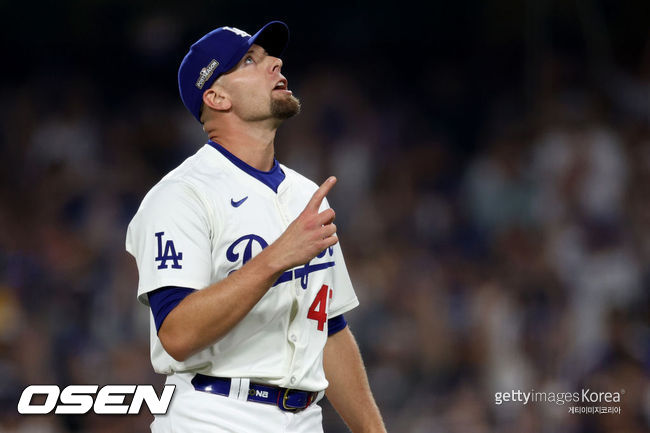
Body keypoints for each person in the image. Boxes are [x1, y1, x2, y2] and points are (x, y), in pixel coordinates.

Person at [125, 21, 386, 433]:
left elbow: (329, 331)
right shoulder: (180, 195)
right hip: (214, 413)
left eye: (272, 57)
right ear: (216, 96)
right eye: (250, 60)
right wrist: (277, 258)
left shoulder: (306, 194)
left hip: (306, 418)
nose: (276, 63)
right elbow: (176, 332)